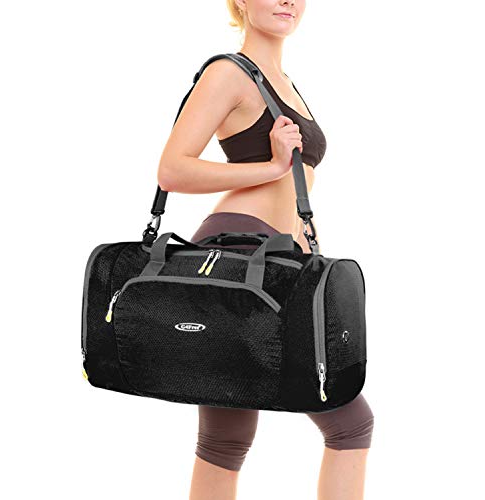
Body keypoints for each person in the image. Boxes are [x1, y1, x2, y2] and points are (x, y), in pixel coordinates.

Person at [157, 1, 374, 499]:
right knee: (347, 422)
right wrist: (272, 168)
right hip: (238, 248)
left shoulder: (284, 81)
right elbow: (172, 169)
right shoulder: (228, 73)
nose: (288, 0)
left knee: (227, 437)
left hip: (280, 256)